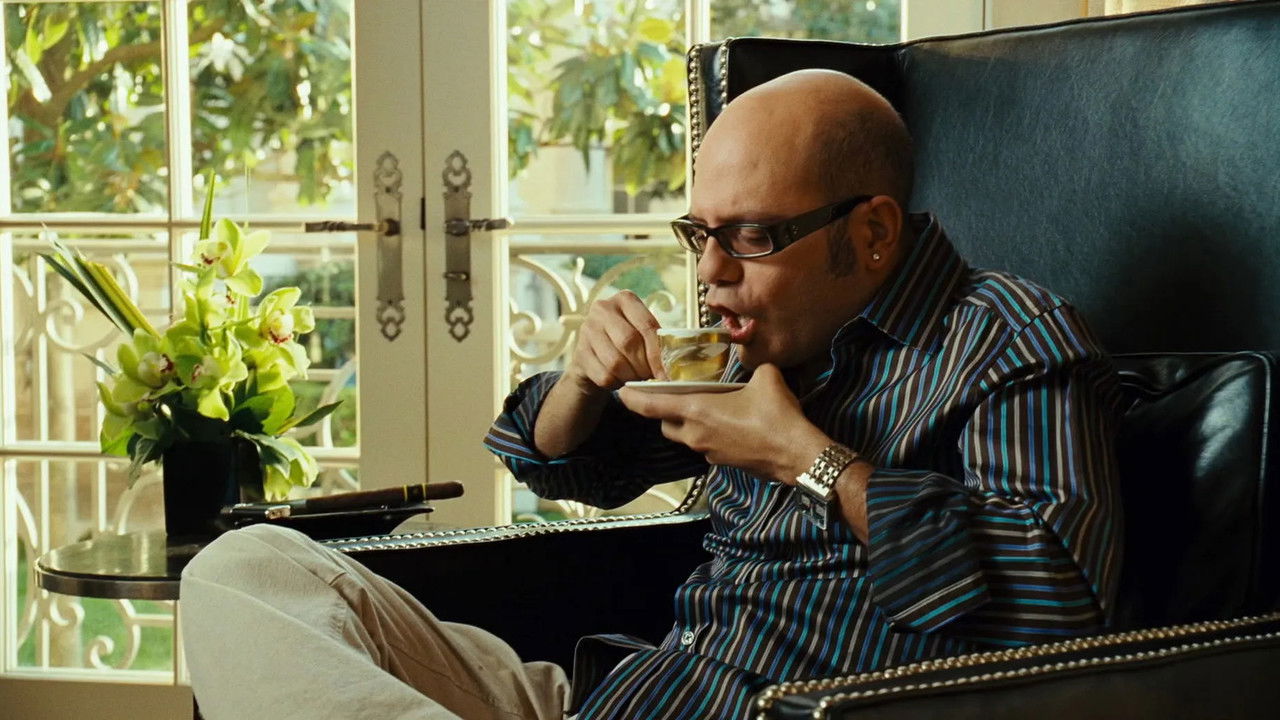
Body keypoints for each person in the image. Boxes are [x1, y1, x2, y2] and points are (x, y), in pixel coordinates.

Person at [180, 69, 1123, 720]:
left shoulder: (1002, 338)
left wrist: (807, 460)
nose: (710, 273)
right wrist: (584, 381)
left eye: (750, 236)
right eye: (699, 234)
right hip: (619, 696)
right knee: (246, 570)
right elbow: (562, 465)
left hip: (778, 706)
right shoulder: (758, 343)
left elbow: (1060, 600)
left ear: (873, 233)